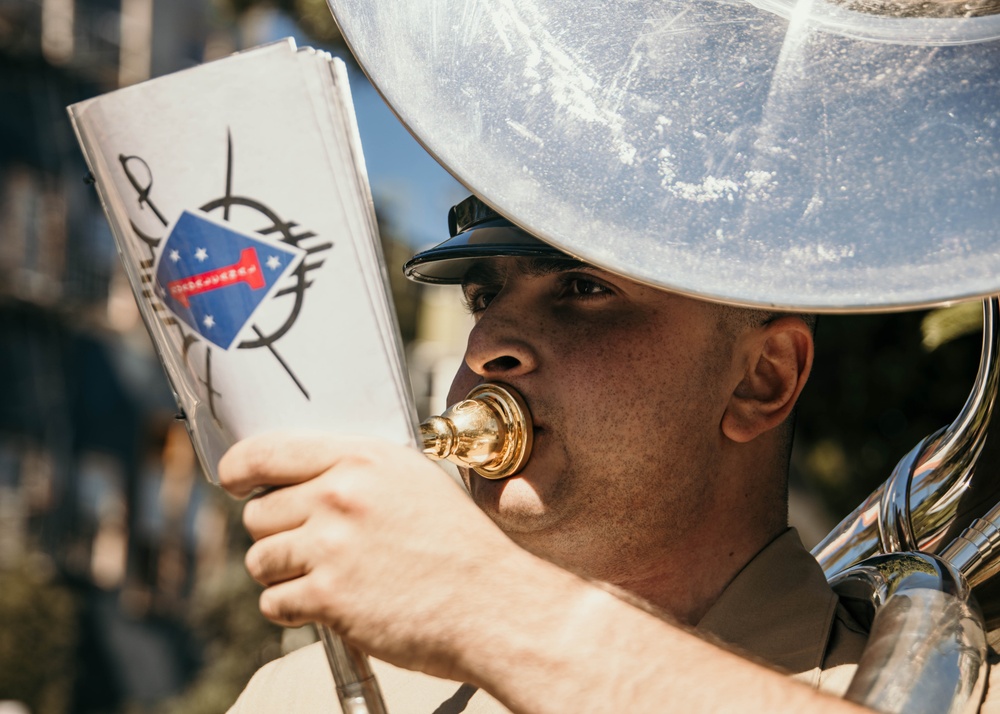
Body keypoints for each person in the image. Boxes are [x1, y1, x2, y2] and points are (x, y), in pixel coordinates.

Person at [218, 196, 985, 713]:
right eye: (482, 301)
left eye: (582, 288)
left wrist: (492, 611)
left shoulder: (954, 692)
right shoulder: (301, 697)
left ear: (762, 378)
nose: (485, 348)